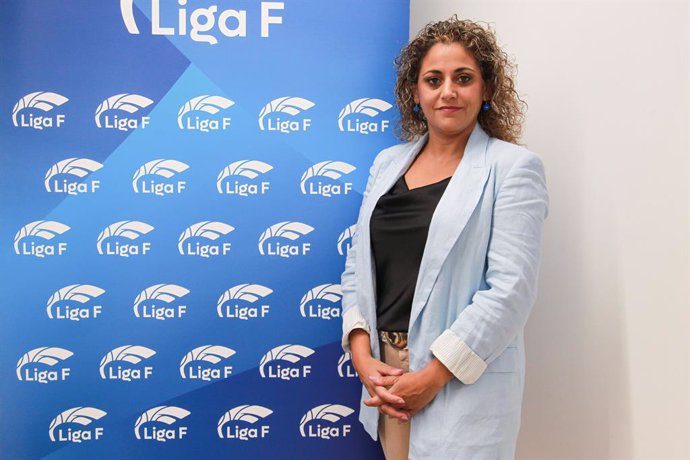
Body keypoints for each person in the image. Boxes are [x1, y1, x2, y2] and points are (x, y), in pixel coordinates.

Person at [340, 16, 549, 460]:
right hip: (386, 378)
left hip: (456, 379)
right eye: (433, 80)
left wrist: (433, 375)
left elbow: (510, 291)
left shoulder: (513, 168)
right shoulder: (386, 164)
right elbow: (358, 266)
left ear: (487, 89)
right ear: (415, 93)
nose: (448, 91)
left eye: (464, 78)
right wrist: (361, 349)